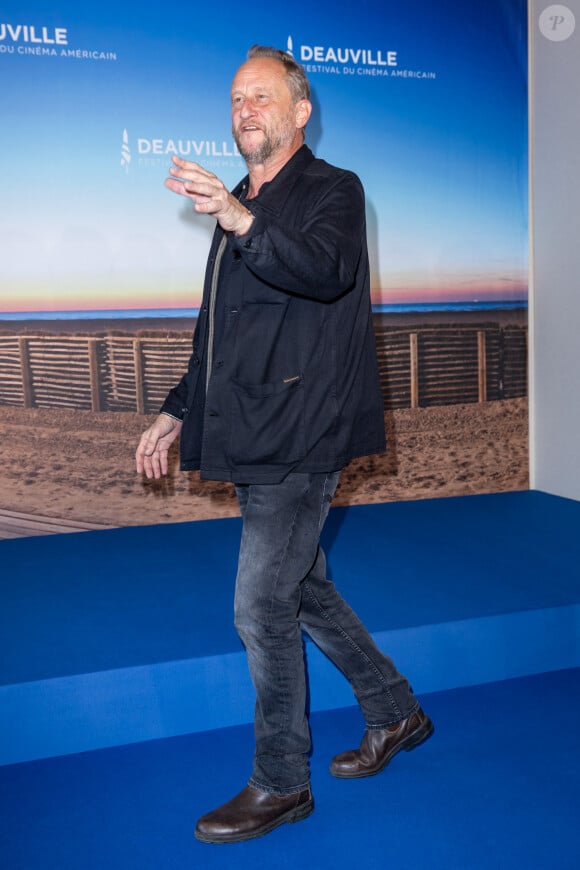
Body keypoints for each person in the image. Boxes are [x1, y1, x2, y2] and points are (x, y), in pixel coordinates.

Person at [135, 45, 433, 844]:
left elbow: (324, 269)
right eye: (235, 99)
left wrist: (241, 221)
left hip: (306, 433)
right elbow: (218, 333)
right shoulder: (240, 197)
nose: (244, 111)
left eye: (260, 97)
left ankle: (281, 782)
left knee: (261, 603)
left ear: (301, 111)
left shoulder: (333, 191)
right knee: (302, 588)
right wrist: (175, 407)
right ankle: (396, 712)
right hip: (248, 429)